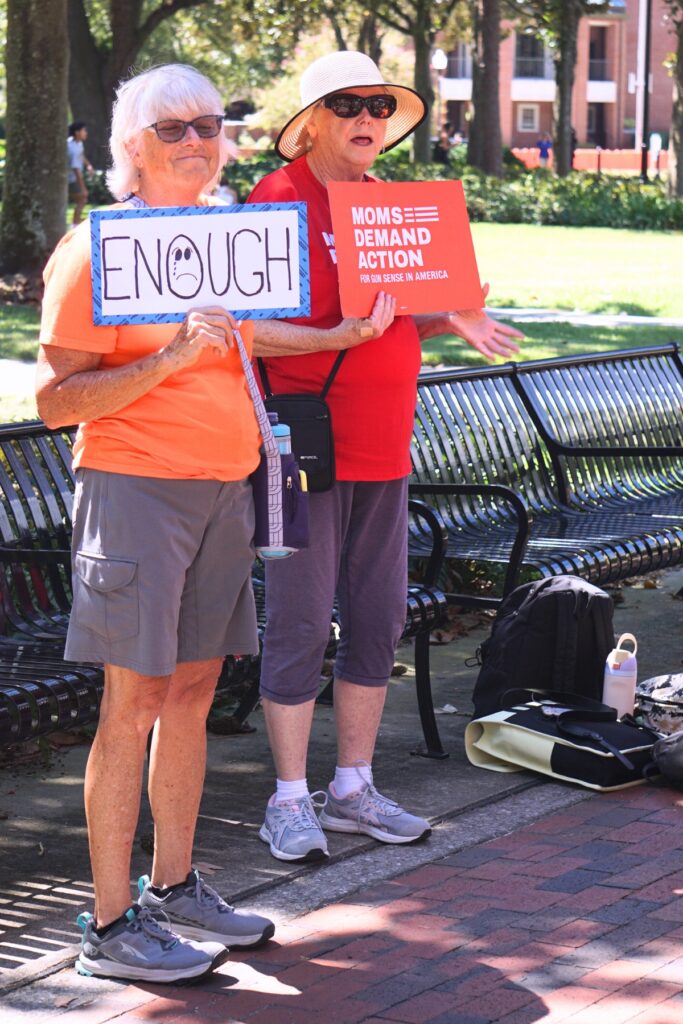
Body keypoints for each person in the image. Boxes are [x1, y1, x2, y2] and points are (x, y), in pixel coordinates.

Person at [36, 64, 292, 985]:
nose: (195, 141)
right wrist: (174, 353)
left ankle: (175, 887)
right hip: (134, 492)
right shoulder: (94, 250)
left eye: (208, 125)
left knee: (191, 698)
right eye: (172, 128)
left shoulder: (234, 239)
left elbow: (252, 345)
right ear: (131, 147)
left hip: (223, 488)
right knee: (132, 704)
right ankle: (109, 927)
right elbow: (59, 399)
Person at [247, 51, 524, 863]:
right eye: (346, 104)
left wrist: (452, 321)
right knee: (301, 617)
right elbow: (240, 327)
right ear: (312, 123)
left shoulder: (386, 206)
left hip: (383, 449)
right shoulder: (278, 200)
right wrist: (335, 339)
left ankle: (352, 789)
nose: (366, 118)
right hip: (300, 448)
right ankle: (288, 799)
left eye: (378, 105)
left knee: (377, 617)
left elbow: (388, 321)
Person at [67, 121, 94, 226]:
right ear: (77, 132)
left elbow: (81, 156)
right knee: (82, 198)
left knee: (81, 199)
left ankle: (76, 221)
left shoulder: (78, 143)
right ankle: (75, 223)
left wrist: (88, 165)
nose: (86, 133)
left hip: (73, 178)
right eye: (84, 131)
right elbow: (76, 169)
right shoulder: (71, 147)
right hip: (70, 179)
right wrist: (83, 188)